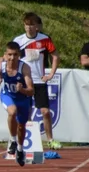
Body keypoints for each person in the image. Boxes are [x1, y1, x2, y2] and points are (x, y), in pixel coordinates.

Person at [12, 12, 61, 149]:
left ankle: (50, 140)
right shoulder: (18, 40)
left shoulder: (44, 39)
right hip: (24, 81)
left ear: (37, 26)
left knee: (45, 111)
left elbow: (55, 57)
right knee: (25, 112)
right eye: (27, 25)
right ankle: (25, 142)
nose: (29, 28)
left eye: (32, 25)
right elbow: (10, 57)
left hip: (39, 81)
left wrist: (51, 74)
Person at [0, 41, 36, 167]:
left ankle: (20, 149)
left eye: (15, 55)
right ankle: (12, 141)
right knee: (12, 111)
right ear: (5, 55)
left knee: (21, 126)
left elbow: (31, 91)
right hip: (7, 95)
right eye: (9, 55)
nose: (12, 58)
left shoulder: (24, 68)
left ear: (19, 55)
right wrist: (0, 76)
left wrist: (23, 89)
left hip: (23, 98)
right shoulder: (1, 66)